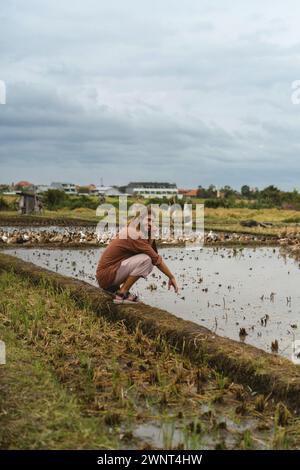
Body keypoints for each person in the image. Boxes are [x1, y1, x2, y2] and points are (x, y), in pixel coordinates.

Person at [96, 209, 178, 304]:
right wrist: (171, 277)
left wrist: (151, 234)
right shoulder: (134, 234)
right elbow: (155, 258)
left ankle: (119, 290)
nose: (151, 223)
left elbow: (150, 251)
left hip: (109, 274)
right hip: (107, 275)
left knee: (148, 259)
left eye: (152, 221)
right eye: (148, 220)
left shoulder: (134, 230)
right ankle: (122, 293)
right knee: (146, 260)